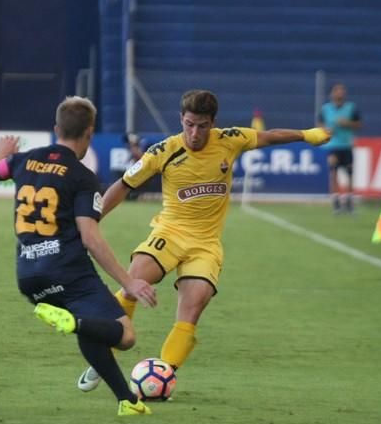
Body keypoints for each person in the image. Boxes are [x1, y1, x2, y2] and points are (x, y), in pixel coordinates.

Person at [95, 89, 330, 383]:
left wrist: (306, 135)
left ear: (213, 122)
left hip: (205, 244)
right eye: (189, 124)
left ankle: (162, 376)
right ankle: (105, 354)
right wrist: (94, 219)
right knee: (134, 280)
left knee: (194, 304)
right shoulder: (162, 151)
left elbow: (270, 136)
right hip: (170, 232)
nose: (195, 133)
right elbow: (123, 185)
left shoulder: (230, 140)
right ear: (181, 119)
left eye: (202, 126)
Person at [0, 97, 159, 416]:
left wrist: (1, 154)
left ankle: (128, 402)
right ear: (89, 133)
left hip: (28, 276)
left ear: (57, 129)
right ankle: (75, 323)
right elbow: (91, 238)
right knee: (124, 335)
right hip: (69, 271)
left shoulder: (22, 161)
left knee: (91, 325)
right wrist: (129, 282)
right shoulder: (82, 177)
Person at [317, 83, 361, 213]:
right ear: (332, 94)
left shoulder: (351, 108)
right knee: (333, 172)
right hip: (332, 145)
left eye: (342, 91)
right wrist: (326, 131)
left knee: (349, 174)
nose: (340, 94)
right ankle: (336, 201)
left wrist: (347, 123)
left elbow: (359, 125)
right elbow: (319, 126)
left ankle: (348, 201)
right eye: (337, 91)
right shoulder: (326, 109)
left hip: (346, 145)